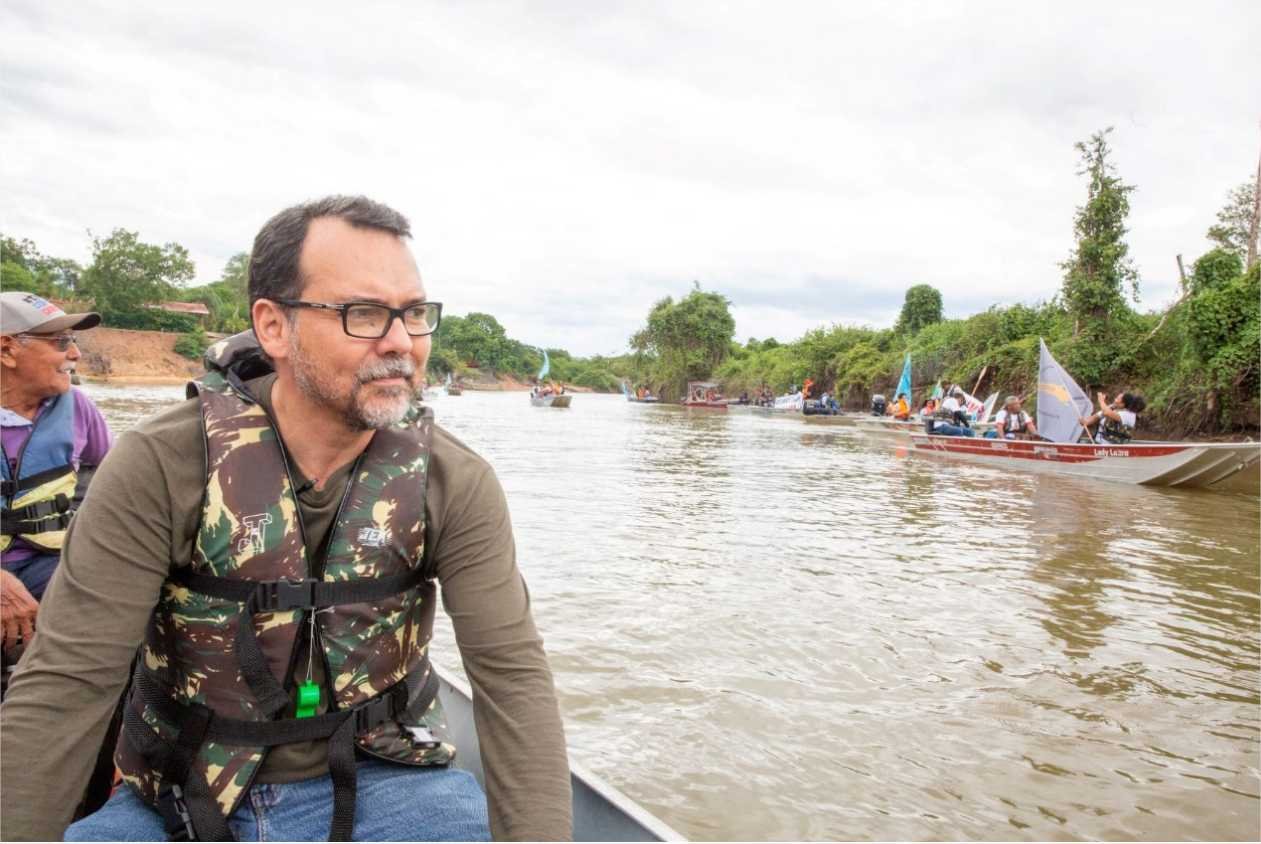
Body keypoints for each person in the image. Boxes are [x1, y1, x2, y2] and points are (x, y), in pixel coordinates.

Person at [0, 197, 572, 842]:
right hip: (182, 786)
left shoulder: (454, 480)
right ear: (273, 326)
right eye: (362, 313)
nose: (401, 342)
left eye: (414, 313)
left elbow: (511, 675)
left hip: (387, 779)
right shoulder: (161, 463)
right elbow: (71, 680)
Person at [1, 292, 112, 694]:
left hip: (49, 566)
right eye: (61, 342)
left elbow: (115, 490)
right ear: (7, 350)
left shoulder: (79, 409)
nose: (76, 354)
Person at [1080, 391, 1145, 444]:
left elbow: (1106, 412)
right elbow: (1097, 416)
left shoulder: (1129, 415)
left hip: (1112, 447)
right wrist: (1086, 421)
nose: (1115, 399)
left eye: (1117, 399)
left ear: (1123, 404)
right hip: (1097, 443)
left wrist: (1101, 400)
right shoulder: (1112, 407)